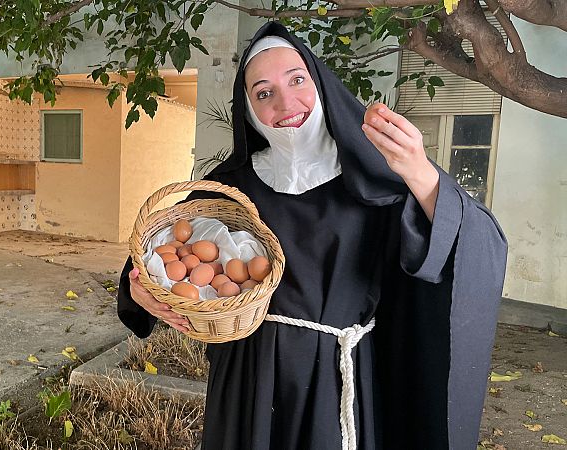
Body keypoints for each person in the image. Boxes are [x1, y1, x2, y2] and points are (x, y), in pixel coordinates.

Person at [117, 21, 507, 450]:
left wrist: (421, 172)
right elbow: (156, 250)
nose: (286, 102)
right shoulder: (230, 186)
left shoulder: (375, 176)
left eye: (297, 80)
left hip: (339, 375)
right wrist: (140, 293)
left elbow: (475, 247)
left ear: (320, 84)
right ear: (248, 109)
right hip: (248, 377)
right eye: (263, 92)